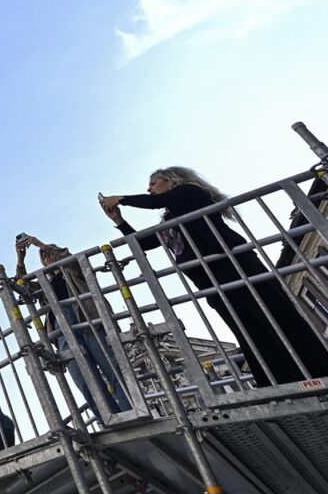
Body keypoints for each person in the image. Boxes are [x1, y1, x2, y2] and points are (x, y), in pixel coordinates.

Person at [101, 166, 328, 387]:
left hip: (232, 263)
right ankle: (278, 382)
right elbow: (146, 243)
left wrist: (121, 198)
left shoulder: (189, 193)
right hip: (206, 277)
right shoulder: (170, 217)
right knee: (245, 328)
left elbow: (152, 202)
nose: (149, 189)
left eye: (153, 183)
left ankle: (319, 370)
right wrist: (119, 221)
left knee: (273, 314)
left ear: (172, 180)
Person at [16, 235, 132, 423]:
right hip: (62, 331)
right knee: (85, 382)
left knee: (112, 369)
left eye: (49, 253)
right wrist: (20, 259)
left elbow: (67, 258)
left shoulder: (73, 270)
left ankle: (130, 414)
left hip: (87, 320)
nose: (48, 258)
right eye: (44, 256)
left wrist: (40, 244)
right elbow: (23, 285)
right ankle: (109, 420)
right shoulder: (44, 284)